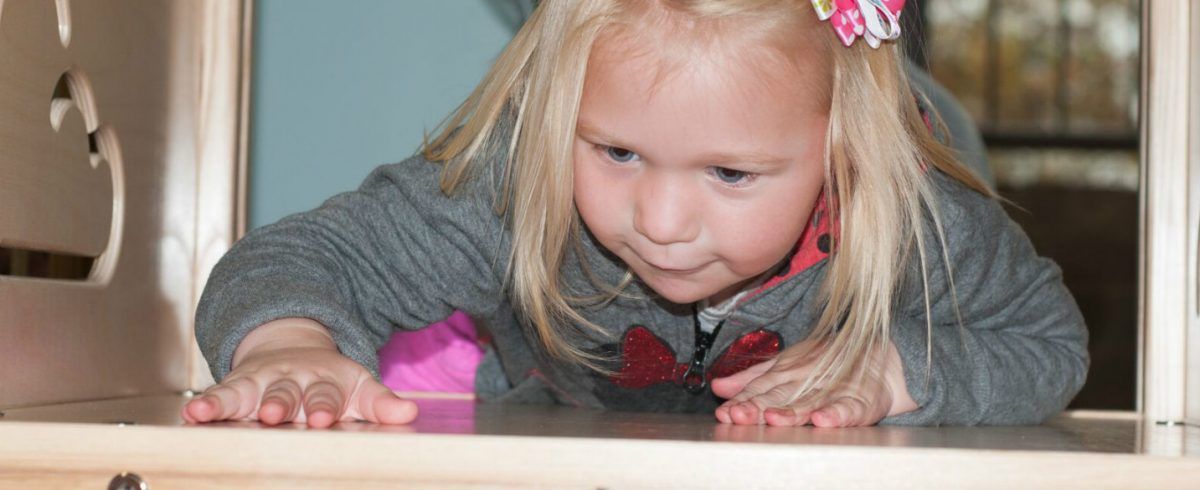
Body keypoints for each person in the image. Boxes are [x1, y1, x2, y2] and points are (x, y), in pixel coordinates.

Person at [184, 0, 1088, 429]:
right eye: (616, 152)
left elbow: (1052, 345)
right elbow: (302, 254)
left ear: (840, 152)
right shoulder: (519, 183)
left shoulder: (914, 216)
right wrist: (286, 345)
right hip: (555, 431)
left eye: (730, 173)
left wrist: (897, 373)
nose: (658, 219)